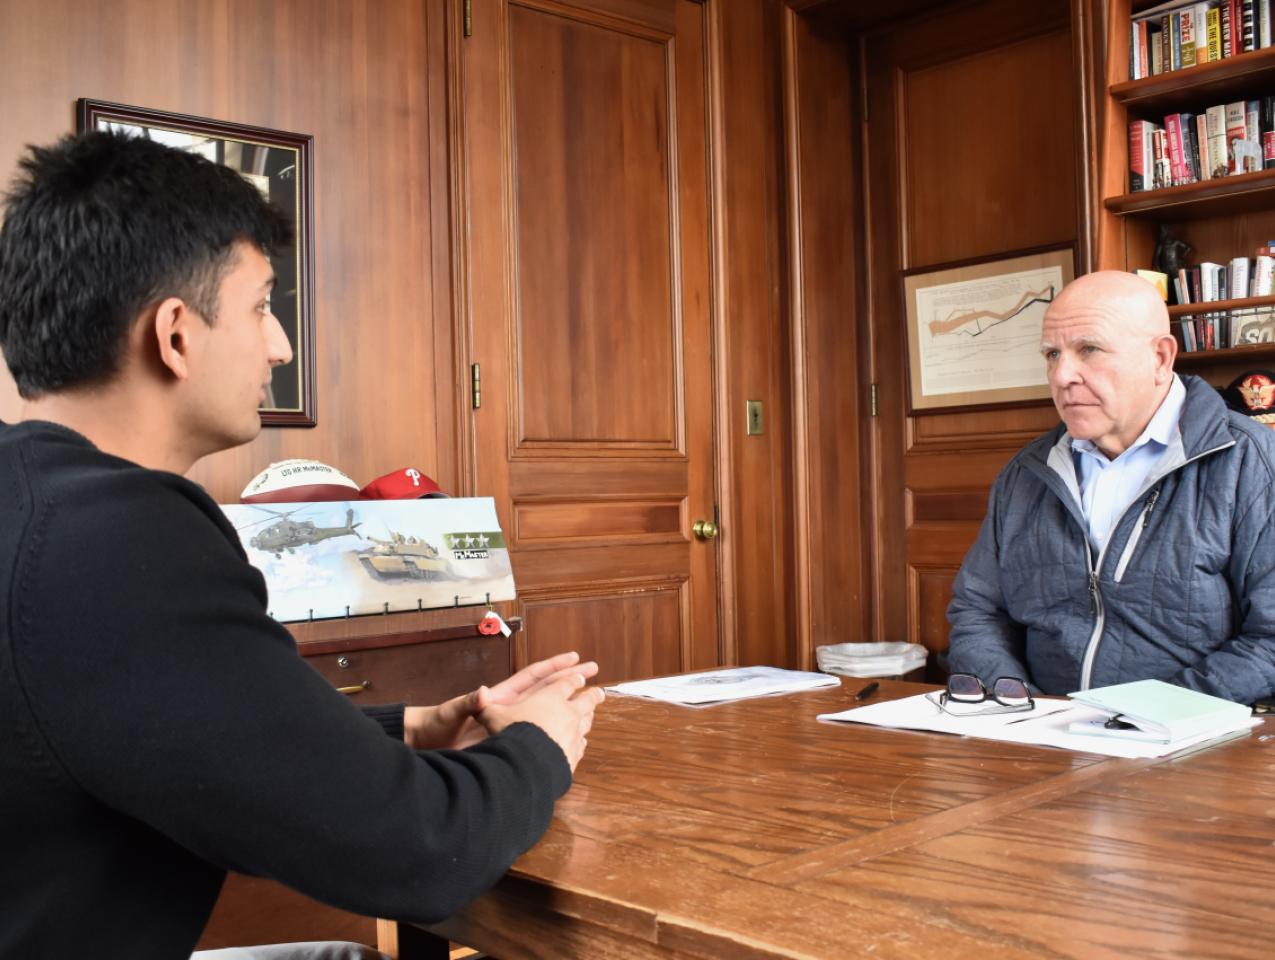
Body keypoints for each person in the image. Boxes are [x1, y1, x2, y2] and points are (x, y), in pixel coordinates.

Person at [0, 131, 604, 959]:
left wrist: (406, 728)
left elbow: (163, 728)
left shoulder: (33, 506)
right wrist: (541, 743)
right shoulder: (118, 541)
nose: (279, 344)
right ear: (175, 335)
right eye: (260, 307)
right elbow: (418, 852)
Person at [947, 270, 1275, 704]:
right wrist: (1019, 704)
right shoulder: (1025, 473)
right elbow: (977, 610)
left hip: (1193, 733)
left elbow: (1269, 642)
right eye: (1052, 354)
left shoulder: (1252, 461)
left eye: (1089, 349)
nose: (1062, 375)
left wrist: (1139, 718)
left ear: (1160, 357)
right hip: (1038, 727)